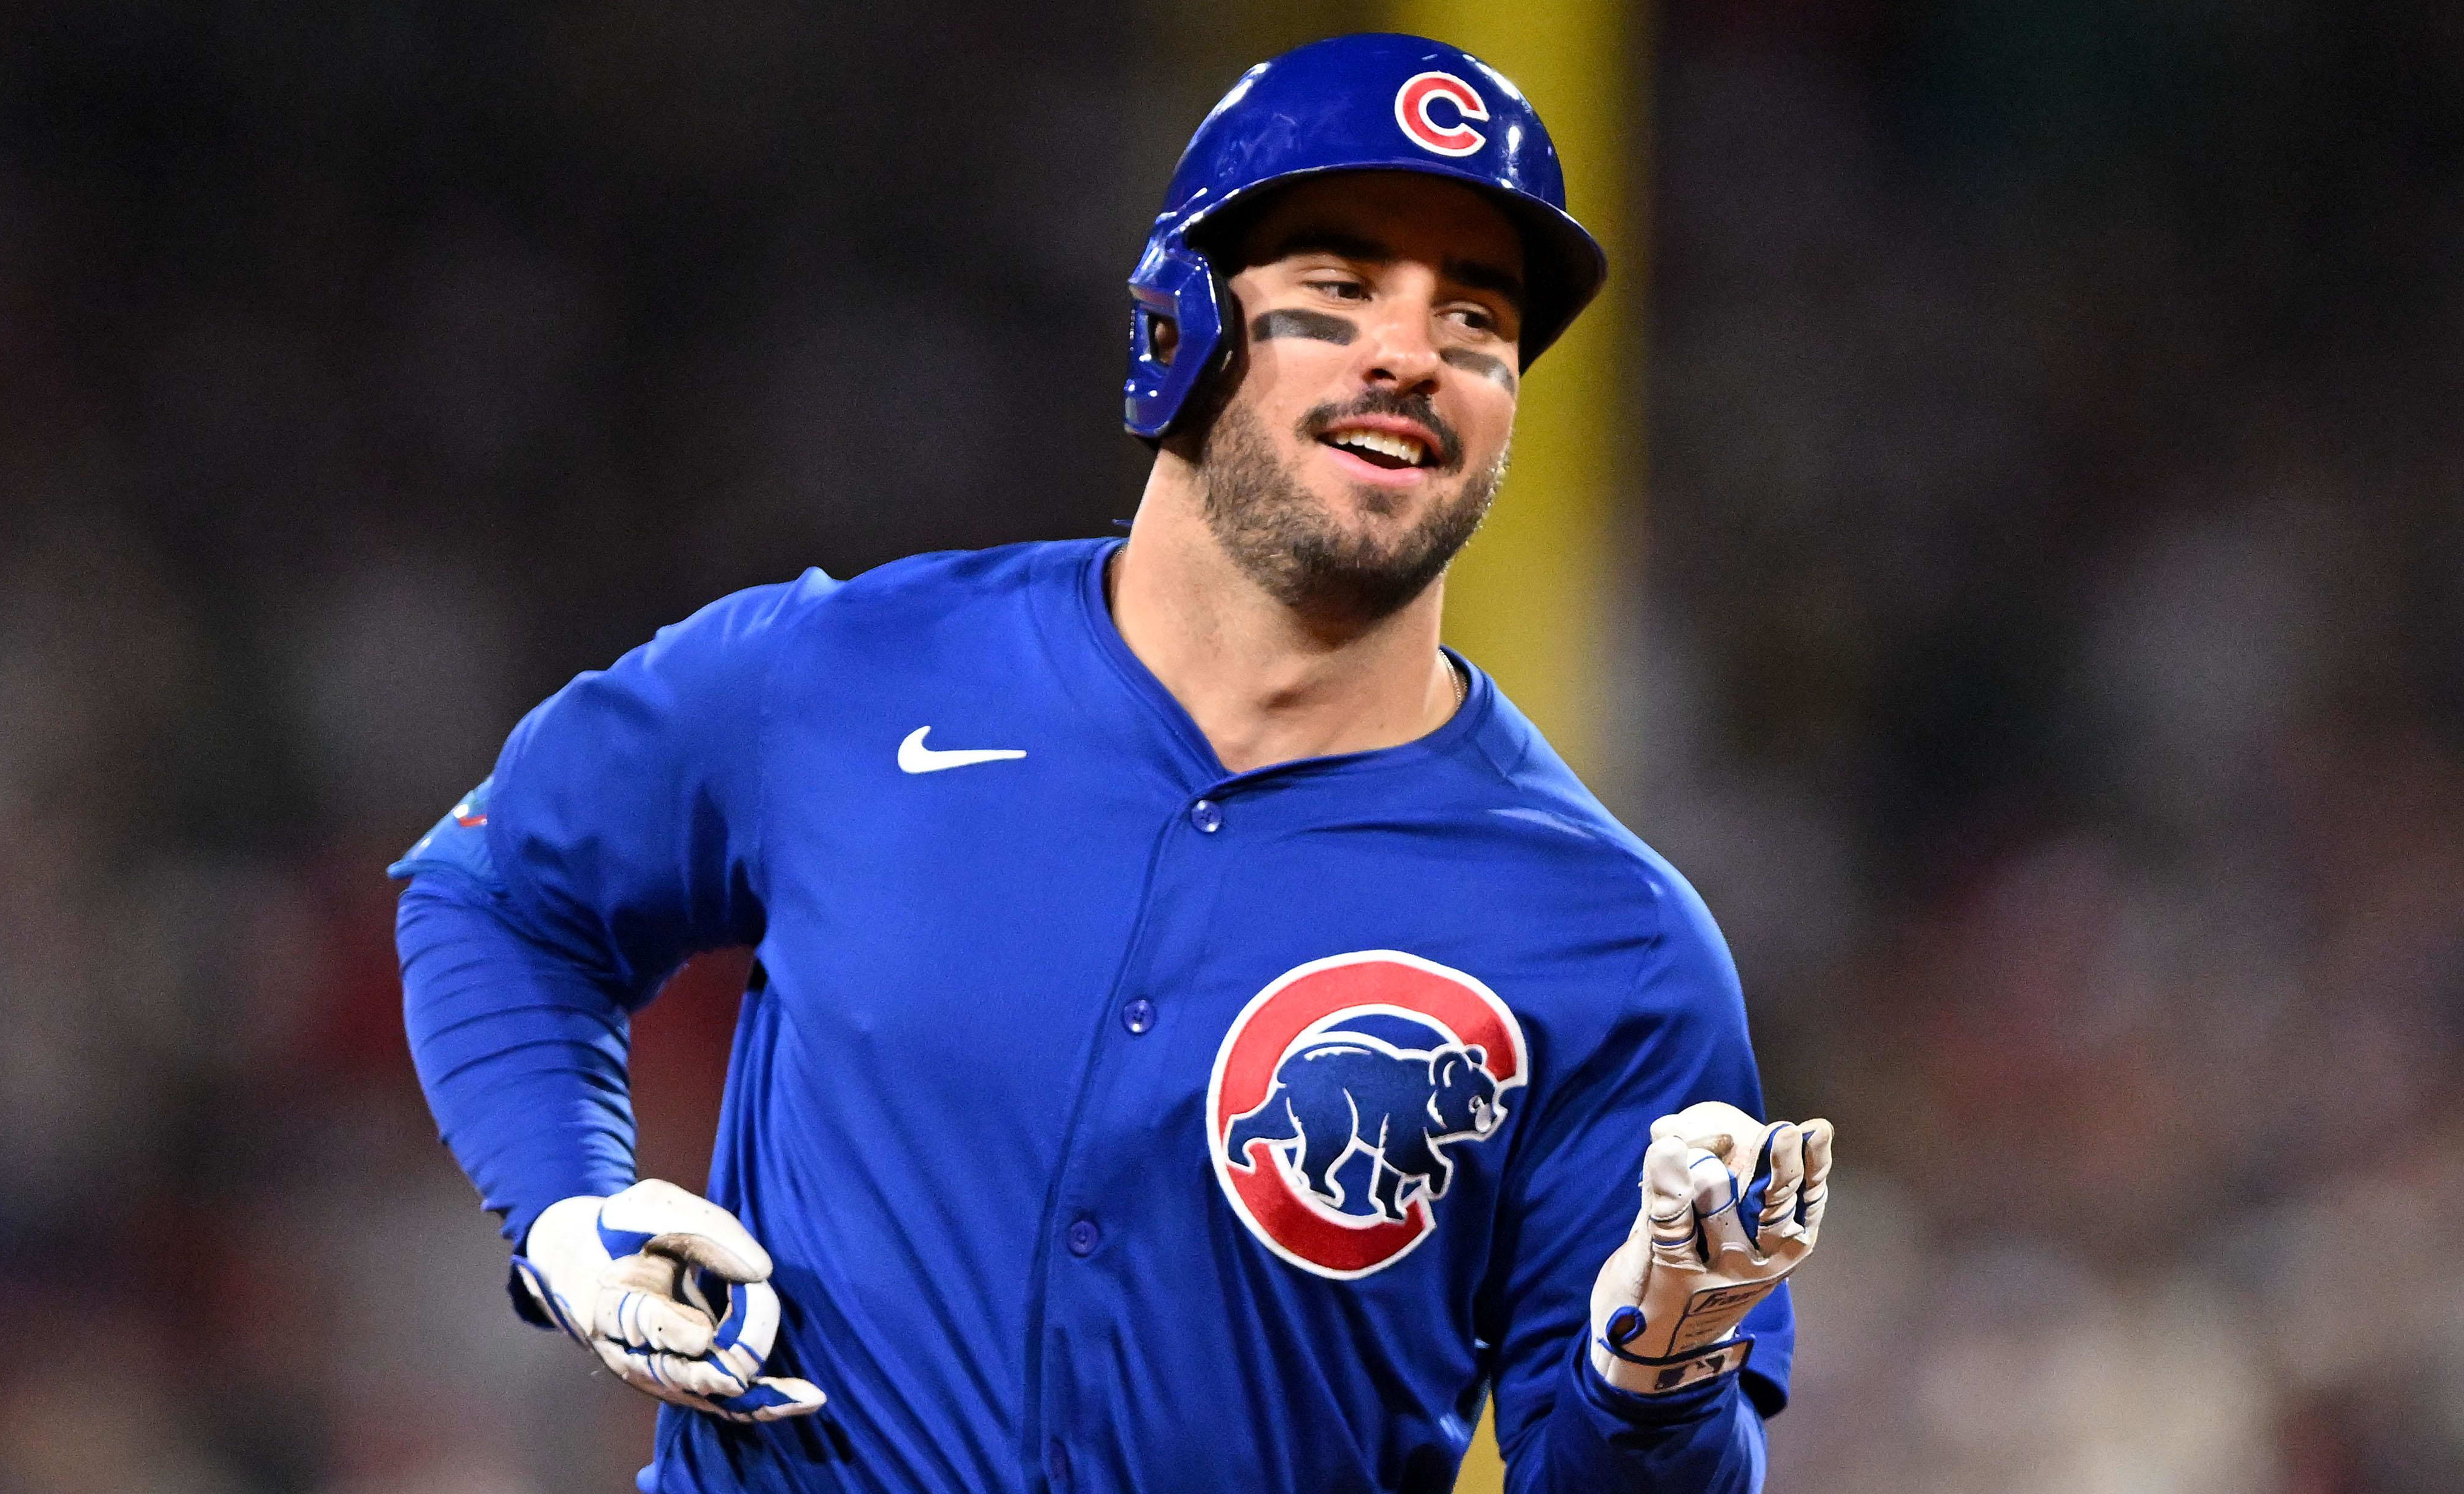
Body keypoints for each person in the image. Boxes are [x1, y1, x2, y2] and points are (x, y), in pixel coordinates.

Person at [393, 32, 1833, 1494]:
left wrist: (1657, 1370)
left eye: (1476, 319)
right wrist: (565, 1209)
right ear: (1182, 324)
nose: (1412, 350)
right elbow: (499, 891)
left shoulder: (1613, 940)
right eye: (1337, 291)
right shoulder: (839, 675)